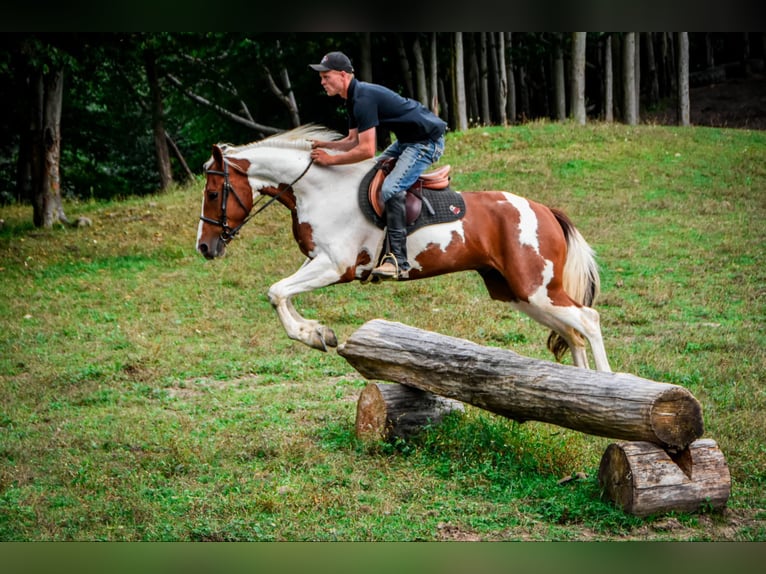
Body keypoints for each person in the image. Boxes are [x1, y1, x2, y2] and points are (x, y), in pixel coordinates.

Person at [308, 51, 447, 280]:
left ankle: (398, 261)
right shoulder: (353, 98)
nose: (322, 82)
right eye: (321, 78)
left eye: (326, 77)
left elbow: (366, 150)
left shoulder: (363, 99)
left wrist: (330, 159)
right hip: (408, 141)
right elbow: (352, 140)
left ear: (343, 75)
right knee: (371, 173)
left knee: (390, 188)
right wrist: (324, 145)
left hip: (425, 142)